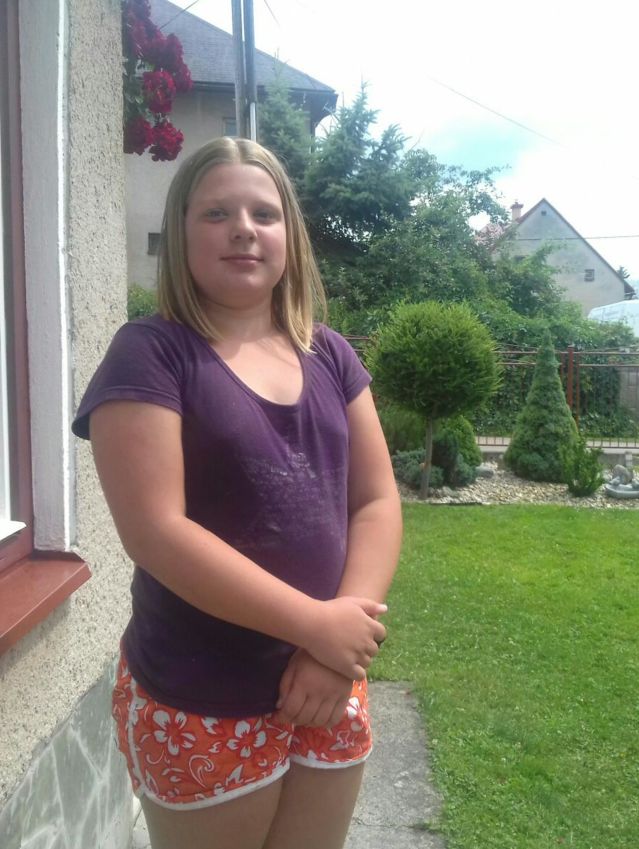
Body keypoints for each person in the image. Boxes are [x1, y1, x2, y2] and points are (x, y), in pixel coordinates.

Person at [72, 136, 402, 849]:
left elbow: (376, 501)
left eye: (263, 213)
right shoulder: (151, 353)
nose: (243, 229)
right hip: (201, 694)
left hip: (329, 679)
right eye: (216, 212)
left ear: (290, 234)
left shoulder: (331, 354)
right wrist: (317, 627)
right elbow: (156, 531)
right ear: (180, 233)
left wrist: (332, 649)